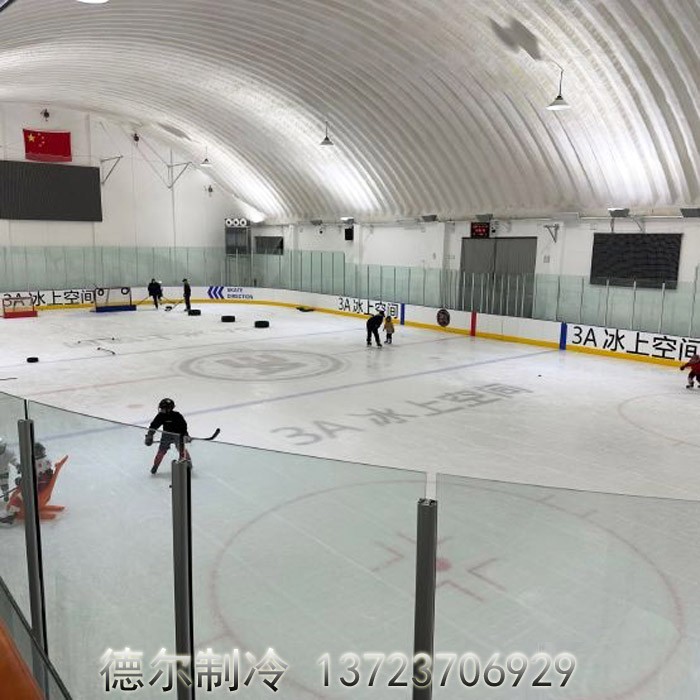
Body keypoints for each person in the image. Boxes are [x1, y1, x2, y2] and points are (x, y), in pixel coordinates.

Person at [0, 443, 53, 526]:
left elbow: (34, 479)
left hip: (36, 489)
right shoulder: (46, 461)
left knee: (17, 498)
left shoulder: (38, 463)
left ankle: (10, 516)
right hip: (41, 486)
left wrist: (22, 482)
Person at [145, 398, 191, 474]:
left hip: (178, 434)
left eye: (163, 408)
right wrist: (150, 435)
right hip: (166, 434)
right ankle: (155, 466)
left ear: (169, 409)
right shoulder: (160, 416)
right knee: (161, 450)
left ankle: (188, 462)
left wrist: (186, 435)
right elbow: (154, 426)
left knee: (181, 449)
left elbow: (183, 426)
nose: (161, 410)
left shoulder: (177, 415)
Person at [0, 437, 19, 502]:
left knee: (4, 483)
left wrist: (17, 465)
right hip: (4, 470)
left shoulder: (8, 452)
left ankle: (5, 494)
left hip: (4, 471)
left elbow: (13, 460)